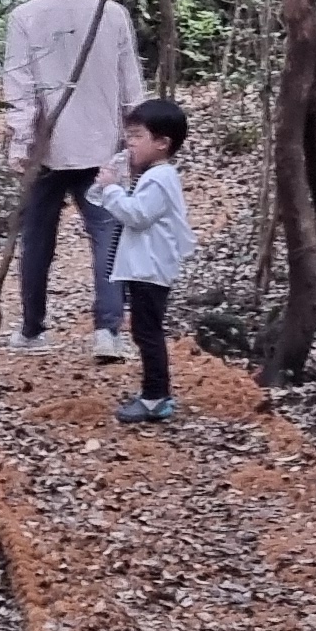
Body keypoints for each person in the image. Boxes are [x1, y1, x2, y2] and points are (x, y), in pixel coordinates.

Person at [1, 0, 146, 356]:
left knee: (37, 238)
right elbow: (131, 86)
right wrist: (134, 141)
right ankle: (108, 332)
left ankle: (31, 330)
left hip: (47, 149)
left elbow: (20, 87)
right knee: (107, 235)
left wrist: (20, 145)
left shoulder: (24, 17)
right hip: (101, 145)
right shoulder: (112, 13)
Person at [89, 98, 194, 423]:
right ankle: (154, 394)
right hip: (145, 267)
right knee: (145, 331)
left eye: (137, 136)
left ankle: (155, 398)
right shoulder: (154, 175)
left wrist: (110, 190)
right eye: (128, 137)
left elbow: (138, 215)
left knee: (148, 333)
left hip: (150, 269)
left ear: (162, 143)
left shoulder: (160, 178)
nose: (129, 144)